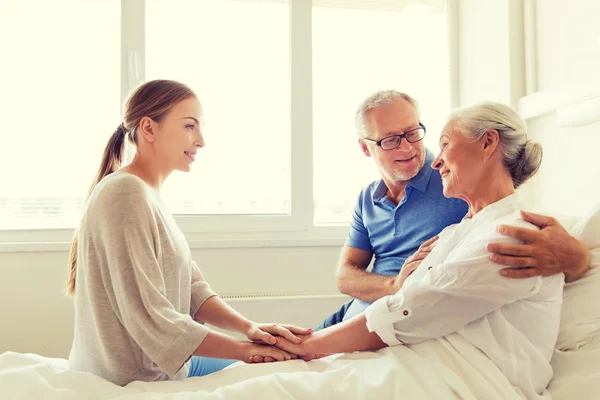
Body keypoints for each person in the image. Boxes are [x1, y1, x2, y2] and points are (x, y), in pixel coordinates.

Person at [273, 102, 567, 400]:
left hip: (444, 371)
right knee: (264, 363)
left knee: (269, 384)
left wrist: (310, 348)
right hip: (376, 333)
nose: (434, 161)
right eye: (390, 139)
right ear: (367, 148)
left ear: (488, 142)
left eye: (442, 144)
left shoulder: (515, 236)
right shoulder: (457, 231)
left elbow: (413, 310)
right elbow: (355, 280)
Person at [66, 80, 311, 386]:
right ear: (149, 129)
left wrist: (251, 328)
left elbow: (193, 289)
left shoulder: (147, 194)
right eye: (189, 126)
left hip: (163, 366)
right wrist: (244, 351)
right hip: (133, 378)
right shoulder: (125, 193)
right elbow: (151, 316)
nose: (201, 141)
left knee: (289, 362)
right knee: (279, 372)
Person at [316, 91, 590, 330]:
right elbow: (345, 276)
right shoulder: (368, 198)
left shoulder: (455, 181)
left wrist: (577, 258)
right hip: (351, 312)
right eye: (390, 140)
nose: (409, 147)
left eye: (412, 133)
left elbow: (509, 215)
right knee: (278, 344)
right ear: (366, 147)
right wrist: (395, 285)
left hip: (385, 321)